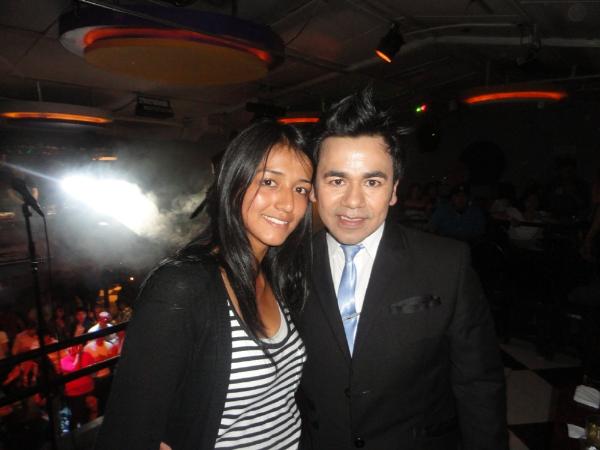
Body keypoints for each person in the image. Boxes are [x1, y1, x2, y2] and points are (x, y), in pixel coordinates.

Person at [297, 88, 507, 450]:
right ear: (314, 188)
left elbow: (478, 383)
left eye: (372, 181)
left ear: (394, 190)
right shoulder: (287, 264)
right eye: (336, 180)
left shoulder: (447, 263)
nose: (353, 201)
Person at [95, 119, 313, 450]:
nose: (288, 204)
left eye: (301, 189)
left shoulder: (279, 275)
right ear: (234, 183)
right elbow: (130, 430)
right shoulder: (182, 286)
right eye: (270, 182)